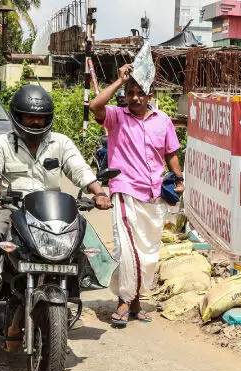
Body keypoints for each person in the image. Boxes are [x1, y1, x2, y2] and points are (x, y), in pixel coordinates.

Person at [0, 84, 112, 336]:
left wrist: (98, 192)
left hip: (50, 211)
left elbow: (79, 169)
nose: (35, 122)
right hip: (12, 208)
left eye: (41, 117)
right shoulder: (2, 143)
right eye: (29, 116)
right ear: (17, 116)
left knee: (80, 232)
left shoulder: (60, 142)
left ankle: (69, 298)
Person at [90, 64, 183, 328]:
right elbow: (95, 106)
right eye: (131, 92)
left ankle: (136, 300)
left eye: (140, 93)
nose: (135, 98)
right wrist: (119, 81)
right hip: (125, 190)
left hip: (154, 194)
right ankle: (123, 300)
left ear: (149, 95)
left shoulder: (162, 120)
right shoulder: (116, 117)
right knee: (126, 249)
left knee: (148, 253)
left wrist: (178, 178)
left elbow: (171, 153)